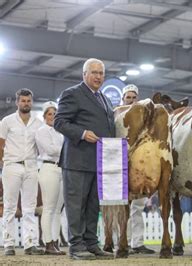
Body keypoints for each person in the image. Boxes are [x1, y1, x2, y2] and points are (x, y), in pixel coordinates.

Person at [54, 58, 115, 260]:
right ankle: (76, 245)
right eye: (94, 72)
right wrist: (82, 133)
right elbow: (60, 122)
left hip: (99, 162)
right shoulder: (72, 94)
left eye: (101, 73)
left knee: (93, 206)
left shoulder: (105, 99)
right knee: (76, 205)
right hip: (77, 161)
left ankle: (91, 243)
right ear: (84, 74)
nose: (98, 76)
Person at [0, 89, 45, 256]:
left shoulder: (38, 123)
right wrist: (4, 163)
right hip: (12, 166)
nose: (26, 103)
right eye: (23, 101)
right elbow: (0, 144)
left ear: (31, 102)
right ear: (17, 102)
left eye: (28, 101)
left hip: (31, 166)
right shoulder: (7, 121)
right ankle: (9, 244)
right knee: (10, 206)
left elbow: (41, 146)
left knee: (29, 207)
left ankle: (30, 243)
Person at [120, 84, 155, 254]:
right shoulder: (117, 116)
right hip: (121, 166)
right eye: (128, 97)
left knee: (138, 208)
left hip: (139, 168)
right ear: (123, 99)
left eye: (134, 97)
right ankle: (122, 242)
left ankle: (138, 242)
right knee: (122, 208)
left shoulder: (145, 120)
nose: (132, 100)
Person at [35, 101, 66, 255]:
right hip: (48, 168)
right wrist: (66, 150)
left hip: (62, 168)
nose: (52, 116)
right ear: (44, 116)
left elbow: (58, 150)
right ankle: (48, 243)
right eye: (49, 114)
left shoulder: (61, 132)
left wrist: (63, 151)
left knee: (58, 210)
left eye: (55, 114)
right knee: (48, 207)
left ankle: (55, 242)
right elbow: (50, 150)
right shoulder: (41, 131)